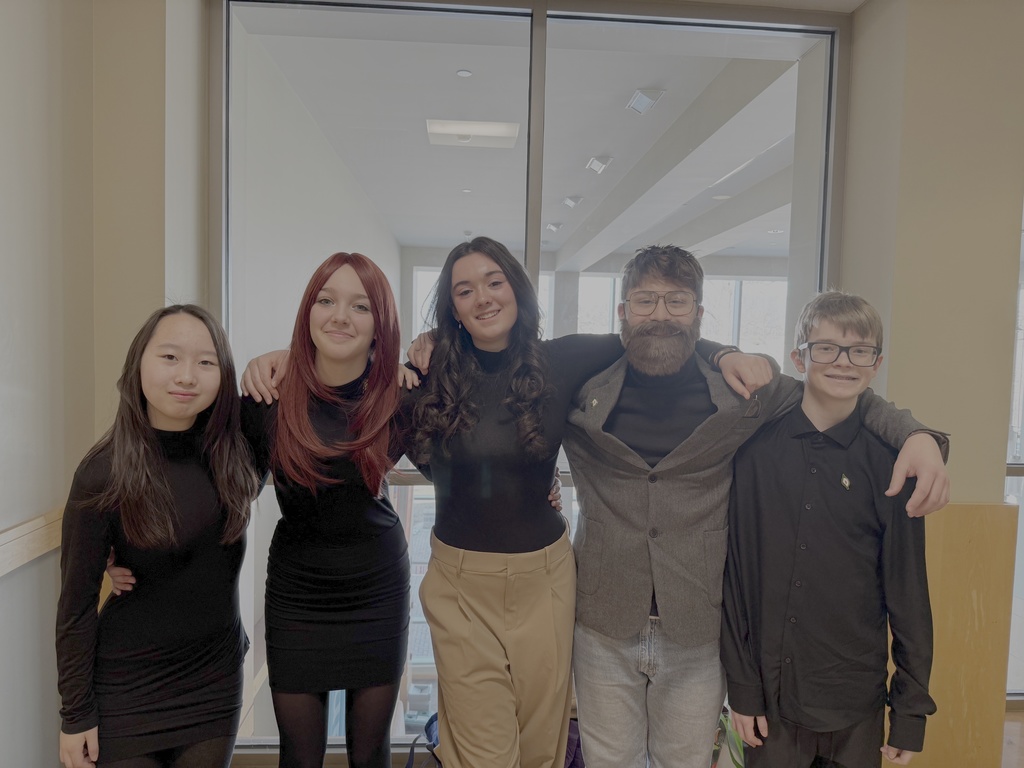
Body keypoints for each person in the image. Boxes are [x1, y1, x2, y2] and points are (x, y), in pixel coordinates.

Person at [242, 236, 755, 768]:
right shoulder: (425, 378)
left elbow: (653, 334)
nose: (483, 297)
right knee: (483, 755)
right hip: (460, 586)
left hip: (546, 583)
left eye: (494, 282)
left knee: (538, 751)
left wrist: (725, 351)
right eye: (464, 290)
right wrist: (286, 359)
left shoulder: (564, 360)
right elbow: (345, 376)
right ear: (453, 308)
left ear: (518, 289)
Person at [560, 246, 949, 768]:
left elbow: (842, 391)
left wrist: (920, 436)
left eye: (677, 301)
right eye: (645, 299)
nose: (660, 312)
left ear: (698, 315)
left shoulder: (746, 395)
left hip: (697, 626)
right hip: (604, 619)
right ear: (623, 310)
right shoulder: (582, 392)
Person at [721, 291, 935, 767]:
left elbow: (908, 597)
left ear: (876, 364)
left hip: (855, 701)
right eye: (826, 348)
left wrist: (909, 713)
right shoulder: (754, 452)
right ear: (800, 357)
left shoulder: (892, 465)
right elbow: (736, 580)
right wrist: (742, 689)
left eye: (859, 351)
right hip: (769, 703)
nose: (843, 362)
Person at [56, 305, 259, 768]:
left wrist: (276, 358)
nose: (187, 375)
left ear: (222, 374)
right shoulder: (102, 473)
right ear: (139, 363)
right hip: (127, 688)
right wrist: (75, 714)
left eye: (206, 362)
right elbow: (75, 608)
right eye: (170, 357)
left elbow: (305, 383)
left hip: (214, 682)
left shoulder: (237, 450)